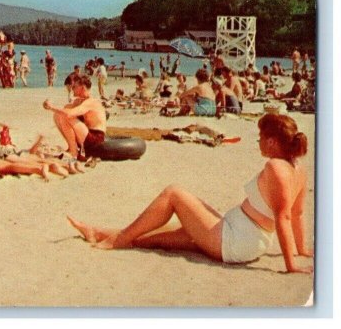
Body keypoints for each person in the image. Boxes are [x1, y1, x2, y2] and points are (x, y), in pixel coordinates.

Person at [66, 113, 313, 273]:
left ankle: (116, 241)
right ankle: (97, 232)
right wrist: (300, 250)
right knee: (156, 236)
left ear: (271, 142)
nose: (258, 142)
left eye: (260, 137)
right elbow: (298, 213)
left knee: (173, 193)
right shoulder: (297, 168)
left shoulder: (275, 167)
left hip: (235, 240)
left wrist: (291, 265)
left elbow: (285, 217)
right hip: (241, 236)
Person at [43, 74, 107, 161]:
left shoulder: (91, 102)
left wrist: (52, 107)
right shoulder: (79, 101)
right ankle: (72, 148)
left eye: (74, 87)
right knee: (57, 115)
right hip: (86, 136)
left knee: (66, 116)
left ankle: (73, 152)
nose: (73, 89)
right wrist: (50, 106)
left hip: (96, 139)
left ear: (82, 87)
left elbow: (69, 114)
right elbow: (65, 109)